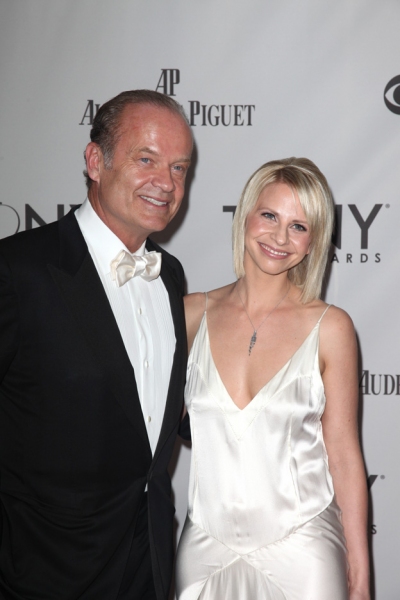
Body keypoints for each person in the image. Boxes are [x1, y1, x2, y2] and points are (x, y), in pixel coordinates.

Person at [0, 90, 193, 600]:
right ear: (94, 161)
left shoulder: (170, 276)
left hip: (148, 567)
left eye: (179, 168)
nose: (166, 183)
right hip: (42, 574)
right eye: (146, 159)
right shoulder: (18, 271)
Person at [176, 157, 370, 600]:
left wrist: (359, 579)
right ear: (245, 214)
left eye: (299, 226)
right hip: (204, 552)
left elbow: (342, 454)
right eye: (270, 216)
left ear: (313, 241)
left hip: (304, 556)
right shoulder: (189, 315)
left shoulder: (331, 327)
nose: (280, 237)